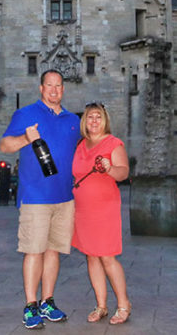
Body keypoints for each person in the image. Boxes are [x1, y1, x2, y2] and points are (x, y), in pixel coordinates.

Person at [0, 70, 81, 329]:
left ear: (63, 90)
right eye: (49, 85)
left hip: (64, 197)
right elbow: (5, 146)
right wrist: (26, 138)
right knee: (33, 250)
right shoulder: (25, 114)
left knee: (53, 251)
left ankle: (48, 302)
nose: (54, 90)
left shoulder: (72, 120)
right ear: (41, 88)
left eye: (58, 86)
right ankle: (30, 305)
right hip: (35, 196)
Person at [72, 103, 132, 325]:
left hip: (104, 208)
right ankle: (101, 305)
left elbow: (123, 173)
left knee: (107, 256)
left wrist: (109, 168)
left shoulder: (113, 143)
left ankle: (124, 304)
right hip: (83, 209)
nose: (94, 121)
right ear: (84, 121)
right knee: (91, 255)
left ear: (105, 120)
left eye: (98, 117)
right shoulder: (80, 145)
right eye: (90, 117)